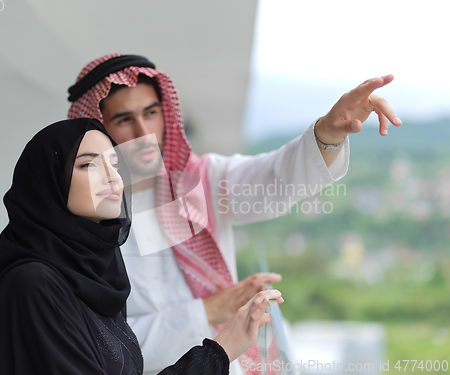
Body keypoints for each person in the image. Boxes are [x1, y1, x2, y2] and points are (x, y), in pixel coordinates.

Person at [67, 54, 402, 375]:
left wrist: (328, 133)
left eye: (151, 113)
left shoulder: (202, 179)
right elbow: (98, 344)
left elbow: (275, 178)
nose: (144, 133)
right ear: (97, 132)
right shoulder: (80, 220)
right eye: (124, 119)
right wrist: (209, 310)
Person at [0, 118, 284, 375]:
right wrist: (219, 352)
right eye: (89, 165)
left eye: (115, 163)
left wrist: (222, 351)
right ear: (49, 184)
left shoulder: (98, 276)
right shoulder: (34, 284)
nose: (113, 178)